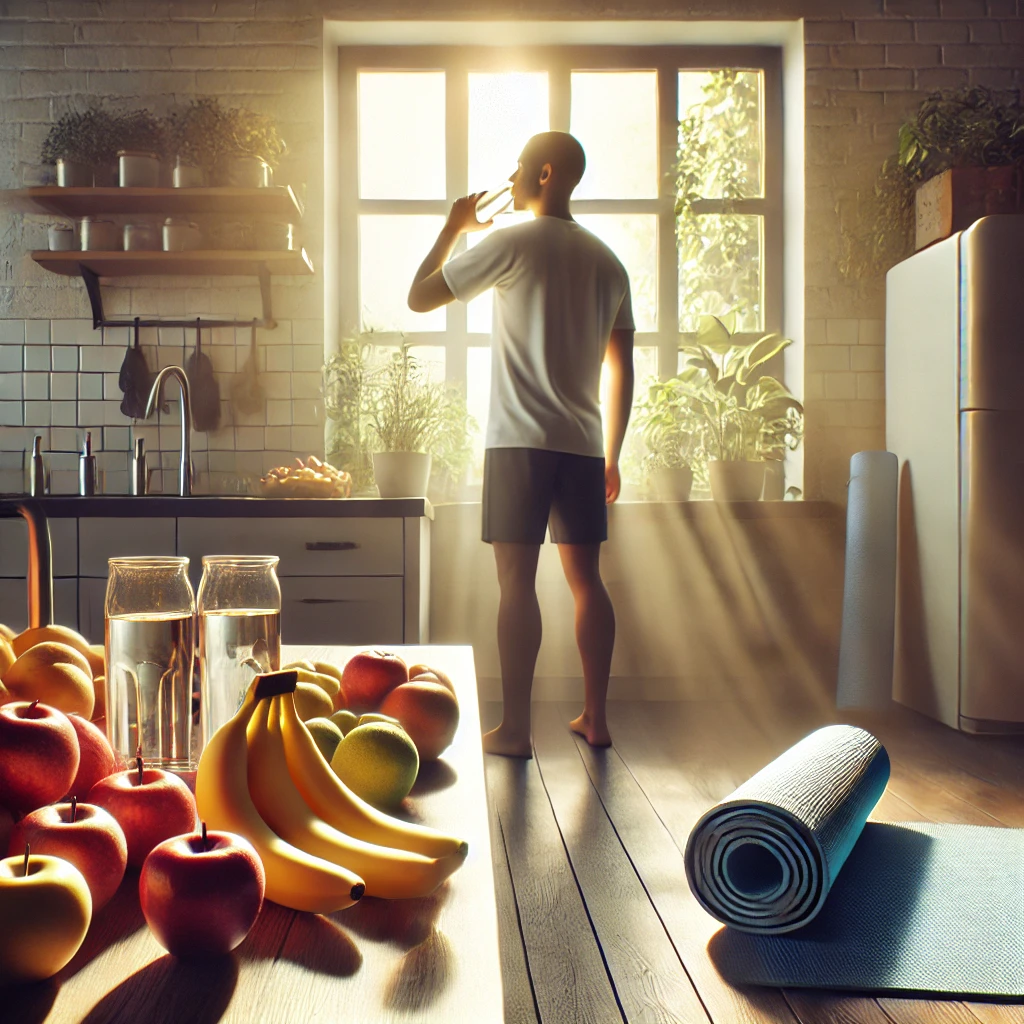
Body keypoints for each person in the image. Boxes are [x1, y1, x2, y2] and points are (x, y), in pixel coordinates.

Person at [407, 131, 635, 758]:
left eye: (517, 168)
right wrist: (613, 453)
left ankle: (516, 730)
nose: (510, 178)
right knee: (588, 582)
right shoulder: (609, 263)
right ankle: (596, 718)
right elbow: (624, 365)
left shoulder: (507, 243)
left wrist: (455, 225)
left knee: (516, 585)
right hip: (583, 447)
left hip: (516, 445)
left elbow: (419, 296)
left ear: (544, 172)